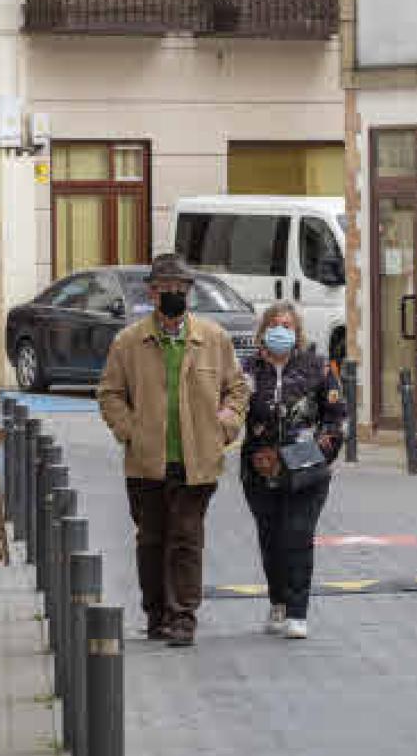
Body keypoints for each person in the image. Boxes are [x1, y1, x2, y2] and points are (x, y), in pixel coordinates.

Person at [97, 253, 250, 647]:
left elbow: (237, 389)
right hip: (146, 462)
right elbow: (110, 393)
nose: (174, 296)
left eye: (181, 290)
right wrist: (130, 430)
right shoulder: (128, 342)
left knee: (186, 539)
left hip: (197, 460)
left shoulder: (213, 339)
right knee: (151, 539)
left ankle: (183, 616)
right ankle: (155, 613)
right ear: (152, 293)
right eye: (166, 290)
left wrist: (226, 424)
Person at [241, 303, 347, 640]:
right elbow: (230, 409)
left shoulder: (316, 367)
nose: (280, 329)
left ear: (297, 331)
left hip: (306, 471)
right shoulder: (247, 369)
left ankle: (298, 611)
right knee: (271, 539)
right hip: (260, 470)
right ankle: (278, 603)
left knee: (297, 537)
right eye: (273, 324)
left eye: (286, 324)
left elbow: (335, 417)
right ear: (262, 331)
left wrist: (316, 454)